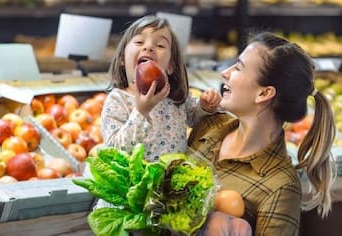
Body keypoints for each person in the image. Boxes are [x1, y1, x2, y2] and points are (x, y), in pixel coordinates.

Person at [188, 31, 336, 235]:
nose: (226, 73)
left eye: (238, 67)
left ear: (264, 93)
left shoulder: (280, 188)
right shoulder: (209, 126)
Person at [101, 15, 221, 162]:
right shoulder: (117, 101)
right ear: (121, 60)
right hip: (135, 183)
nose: (148, 47)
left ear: (171, 66)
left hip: (175, 179)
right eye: (139, 42)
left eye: (160, 45)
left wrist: (205, 106)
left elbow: (196, 118)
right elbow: (115, 151)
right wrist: (141, 112)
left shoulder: (176, 97)